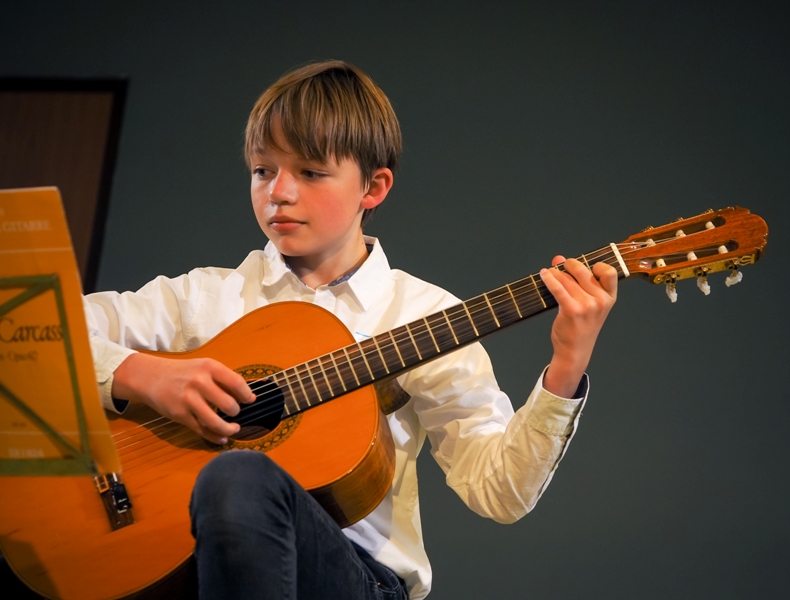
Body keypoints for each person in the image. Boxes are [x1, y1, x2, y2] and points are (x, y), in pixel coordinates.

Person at [84, 60, 617, 600]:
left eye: (310, 173)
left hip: (360, 579)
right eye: (263, 170)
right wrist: (141, 375)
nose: (279, 192)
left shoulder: (422, 313)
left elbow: (498, 493)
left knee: (240, 476)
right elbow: (42, 336)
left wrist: (566, 367)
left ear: (373, 187)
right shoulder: (204, 298)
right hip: (193, 565)